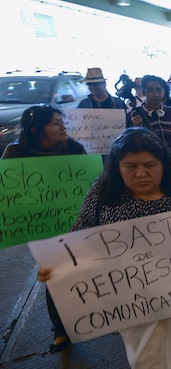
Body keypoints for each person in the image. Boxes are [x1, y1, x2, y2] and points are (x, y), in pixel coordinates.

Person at [37, 128, 171, 369]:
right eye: (130, 166)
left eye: (150, 164)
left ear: (163, 163)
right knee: (145, 356)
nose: (141, 173)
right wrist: (57, 265)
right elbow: (79, 236)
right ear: (117, 167)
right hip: (128, 295)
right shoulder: (103, 191)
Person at [1, 105, 87, 353]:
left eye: (62, 122)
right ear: (36, 128)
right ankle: (61, 330)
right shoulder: (15, 154)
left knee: (80, 274)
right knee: (55, 276)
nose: (62, 127)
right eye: (54, 123)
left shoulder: (74, 149)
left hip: (76, 228)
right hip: (44, 230)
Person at [131, 75, 171, 178]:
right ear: (143, 92)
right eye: (150, 90)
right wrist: (135, 129)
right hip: (149, 170)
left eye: (158, 90)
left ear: (163, 91)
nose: (156, 94)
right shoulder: (135, 115)